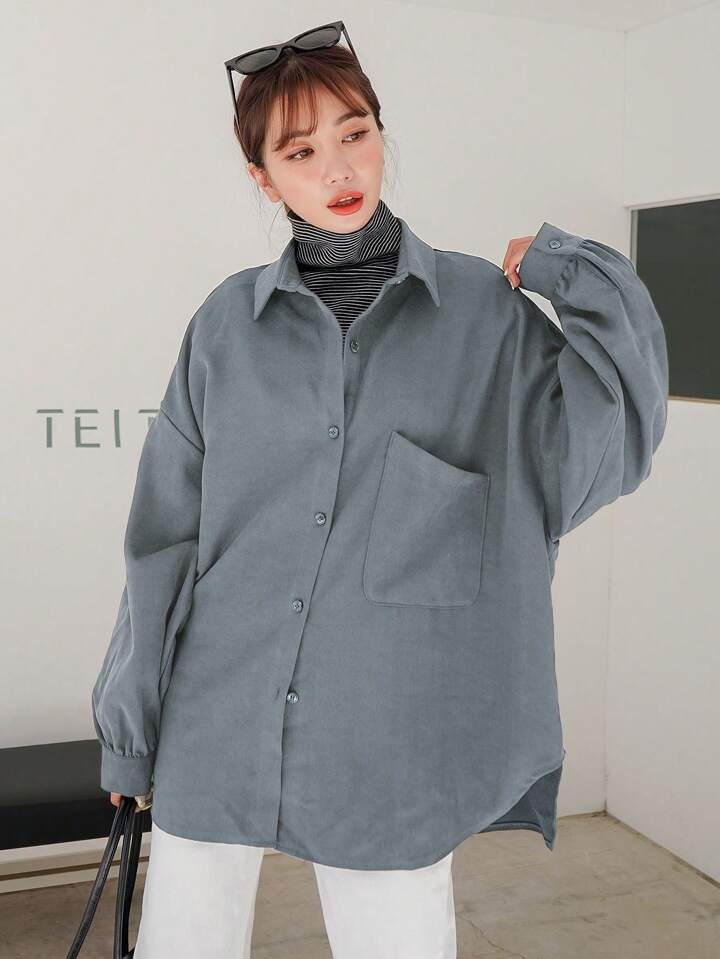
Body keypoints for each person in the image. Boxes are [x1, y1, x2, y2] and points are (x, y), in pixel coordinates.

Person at [92, 21, 669, 959]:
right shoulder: (225, 327)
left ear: (380, 132)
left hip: (390, 731)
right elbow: (162, 538)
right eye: (299, 151)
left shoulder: (483, 314)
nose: (338, 167)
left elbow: (617, 438)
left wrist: (571, 269)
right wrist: (131, 725)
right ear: (262, 177)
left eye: (354, 132)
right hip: (215, 712)